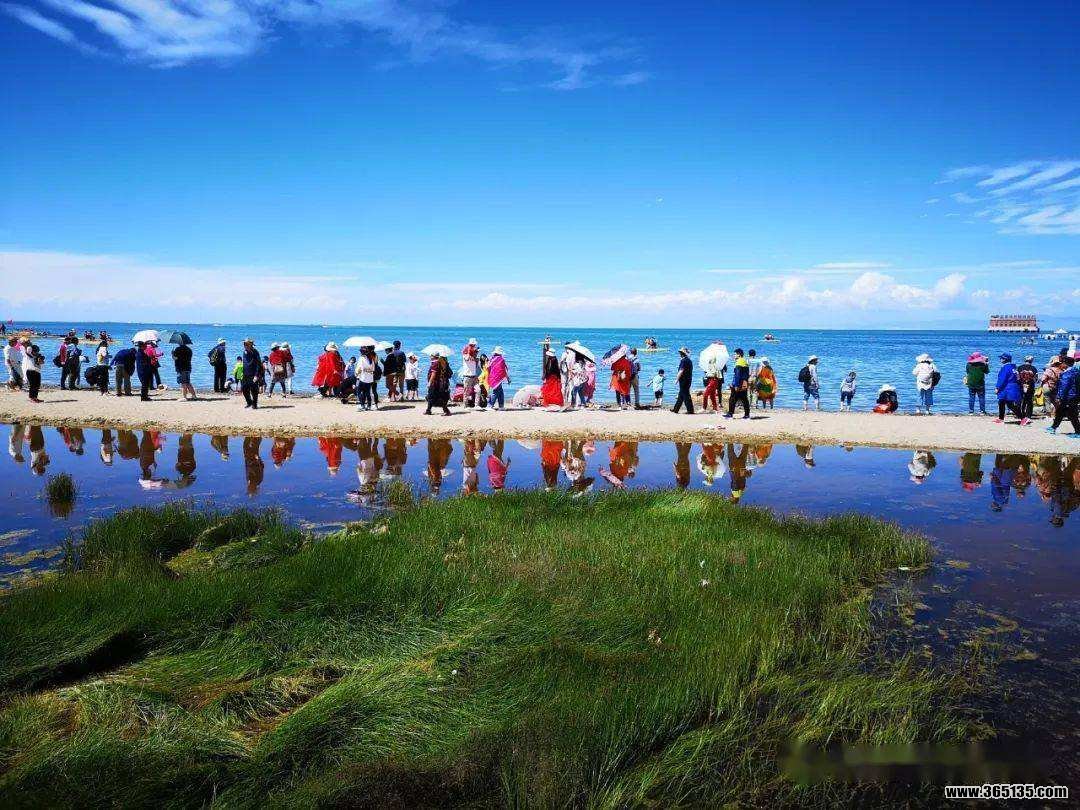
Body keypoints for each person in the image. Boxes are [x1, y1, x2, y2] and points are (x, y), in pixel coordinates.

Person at [1046, 357, 1080, 436]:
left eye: (1062, 363)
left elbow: (1064, 386)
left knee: (1072, 414)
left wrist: (1059, 397)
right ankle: (1053, 427)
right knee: (1060, 412)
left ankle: (1078, 431)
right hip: (1074, 395)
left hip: (1068, 396)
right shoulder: (1076, 372)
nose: (1061, 364)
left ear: (1065, 364)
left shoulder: (1067, 374)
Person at [994, 353, 1027, 425]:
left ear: (1005, 359)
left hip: (1007, 387)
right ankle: (1001, 418)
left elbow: (1002, 379)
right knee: (1001, 402)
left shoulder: (1005, 368)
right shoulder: (1014, 367)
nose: (1000, 359)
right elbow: (1018, 378)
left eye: (1001, 358)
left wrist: (997, 387)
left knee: (1009, 404)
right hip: (1013, 386)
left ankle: (1023, 418)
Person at [724, 348, 751, 419]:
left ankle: (730, 414)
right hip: (744, 383)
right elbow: (747, 374)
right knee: (744, 399)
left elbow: (737, 375)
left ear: (739, 355)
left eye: (735, 354)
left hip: (739, 383)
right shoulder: (745, 361)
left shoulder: (739, 362)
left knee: (732, 399)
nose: (734, 355)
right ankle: (747, 415)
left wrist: (735, 385)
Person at [425, 351, 452, 416]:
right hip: (441, 383)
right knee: (434, 396)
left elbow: (433, 374)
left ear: (433, 356)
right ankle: (428, 410)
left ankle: (446, 411)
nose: (430, 357)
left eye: (431, 355)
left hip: (435, 383)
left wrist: (429, 383)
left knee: (432, 396)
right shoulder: (442, 363)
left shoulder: (435, 363)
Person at [457, 338, 480, 409]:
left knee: (478, 390)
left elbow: (476, 364)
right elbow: (468, 359)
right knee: (466, 392)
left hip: (474, 376)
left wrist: (475, 354)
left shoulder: (475, 357)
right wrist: (473, 354)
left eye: (474, 346)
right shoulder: (465, 355)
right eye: (472, 346)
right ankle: (465, 405)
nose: (473, 347)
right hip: (467, 376)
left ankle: (476, 405)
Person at [671, 347, 694, 414]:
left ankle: (690, 410)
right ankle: (676, 409)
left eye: (680, 353)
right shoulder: (689, 360)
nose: (679, 354)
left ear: (682, 354)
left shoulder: (683, 361)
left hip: (684, 380)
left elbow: (681, 371)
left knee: (686, 395)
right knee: (681, 395)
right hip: (688, 379)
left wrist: (676, 379)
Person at [240, 338, 261, 409]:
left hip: (253, 374)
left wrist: (256, 375)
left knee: (254, 390)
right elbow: (244, 363)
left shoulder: (255, 352)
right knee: (244, 388)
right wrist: (242, 372)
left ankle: (254, 404)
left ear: (250, 344)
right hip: (245, 374)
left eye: (246, 344)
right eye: (244, 344)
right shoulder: (244, 352)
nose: (244, 345)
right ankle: (249, 402)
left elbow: (258, 364)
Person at [1017, 354, 1039, 419]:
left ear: (1025, 360)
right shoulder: (1034, 368)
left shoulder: (1019, 367)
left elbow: (1017, 377)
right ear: (1031, 361)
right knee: (1029, 401)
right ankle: (1028, 415)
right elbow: (1036, 379)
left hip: (1020, 385)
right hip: (1030, 386)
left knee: (1020, 400)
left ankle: (1020, 414)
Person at [356, 346, 377, 411]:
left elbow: (359, 368)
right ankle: (369, 405)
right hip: (369, 378)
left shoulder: (361, 358)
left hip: (363, 377)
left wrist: (357, 374)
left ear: (362, 352)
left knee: (359, 391)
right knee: (367, 392)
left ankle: (362, 405)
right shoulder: (371, 358)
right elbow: (373, 369)